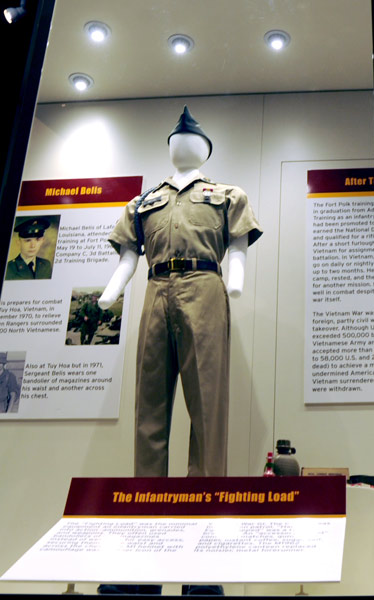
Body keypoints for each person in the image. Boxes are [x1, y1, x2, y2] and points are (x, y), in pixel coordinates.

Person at [100, 106, 262, 478]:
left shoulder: (227, 195)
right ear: (170, 147)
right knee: (149, 398)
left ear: (205, 150)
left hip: (204, 286)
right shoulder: (142, 202)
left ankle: (203, 494)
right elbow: (128, 256)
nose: (182, 146)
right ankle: (147, 494)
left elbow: (238, 245)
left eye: (189, 141)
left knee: (207, 396)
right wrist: (113, 290)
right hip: (155, 289)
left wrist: (235, 282)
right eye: (176, 141)